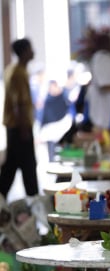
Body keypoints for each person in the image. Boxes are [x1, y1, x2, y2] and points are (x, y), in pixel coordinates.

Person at [0, 38, 39, 199]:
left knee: (11, 166)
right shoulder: (18, 73)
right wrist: (24, 130)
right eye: (30, 48)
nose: (33, 51)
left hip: (15, 127)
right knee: (28, 167)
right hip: (19, 127)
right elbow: (19, 104)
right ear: (24, 52)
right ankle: (36, 203)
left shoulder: (14, 69)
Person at [86, 34, 110, 132]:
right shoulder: (103, 58)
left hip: (105, 112)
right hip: (105, 112)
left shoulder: (102, 57)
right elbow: (105, 84)